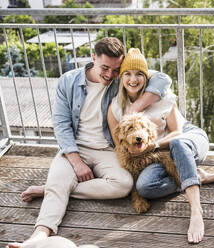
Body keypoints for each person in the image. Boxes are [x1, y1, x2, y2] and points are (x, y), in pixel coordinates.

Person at [7, 37, 173, 248]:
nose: (110, 75)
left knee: (124, 184)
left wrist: (135, 107)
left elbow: (163, 79)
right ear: (93, 58)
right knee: (59, 185)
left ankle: (55, 188)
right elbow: (61, 124)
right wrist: (76, 161)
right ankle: (38, 236)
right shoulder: (68, 81)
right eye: (105, 68)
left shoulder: (118, 80)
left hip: (106, 149)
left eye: (115, 70)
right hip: (74, 149)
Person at [107, 48, 214, 244]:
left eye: (139, 74)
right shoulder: (115, 108)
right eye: (127, 74)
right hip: (161, 155)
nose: (133, 79)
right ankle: (195, 177)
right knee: (145, 186)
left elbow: (177, 133)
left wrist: (153, 145)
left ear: (146, 78)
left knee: (178, 144)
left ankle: (196, 211)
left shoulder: (162, 98)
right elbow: (119, 143)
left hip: (187, 139)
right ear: (121, 78)